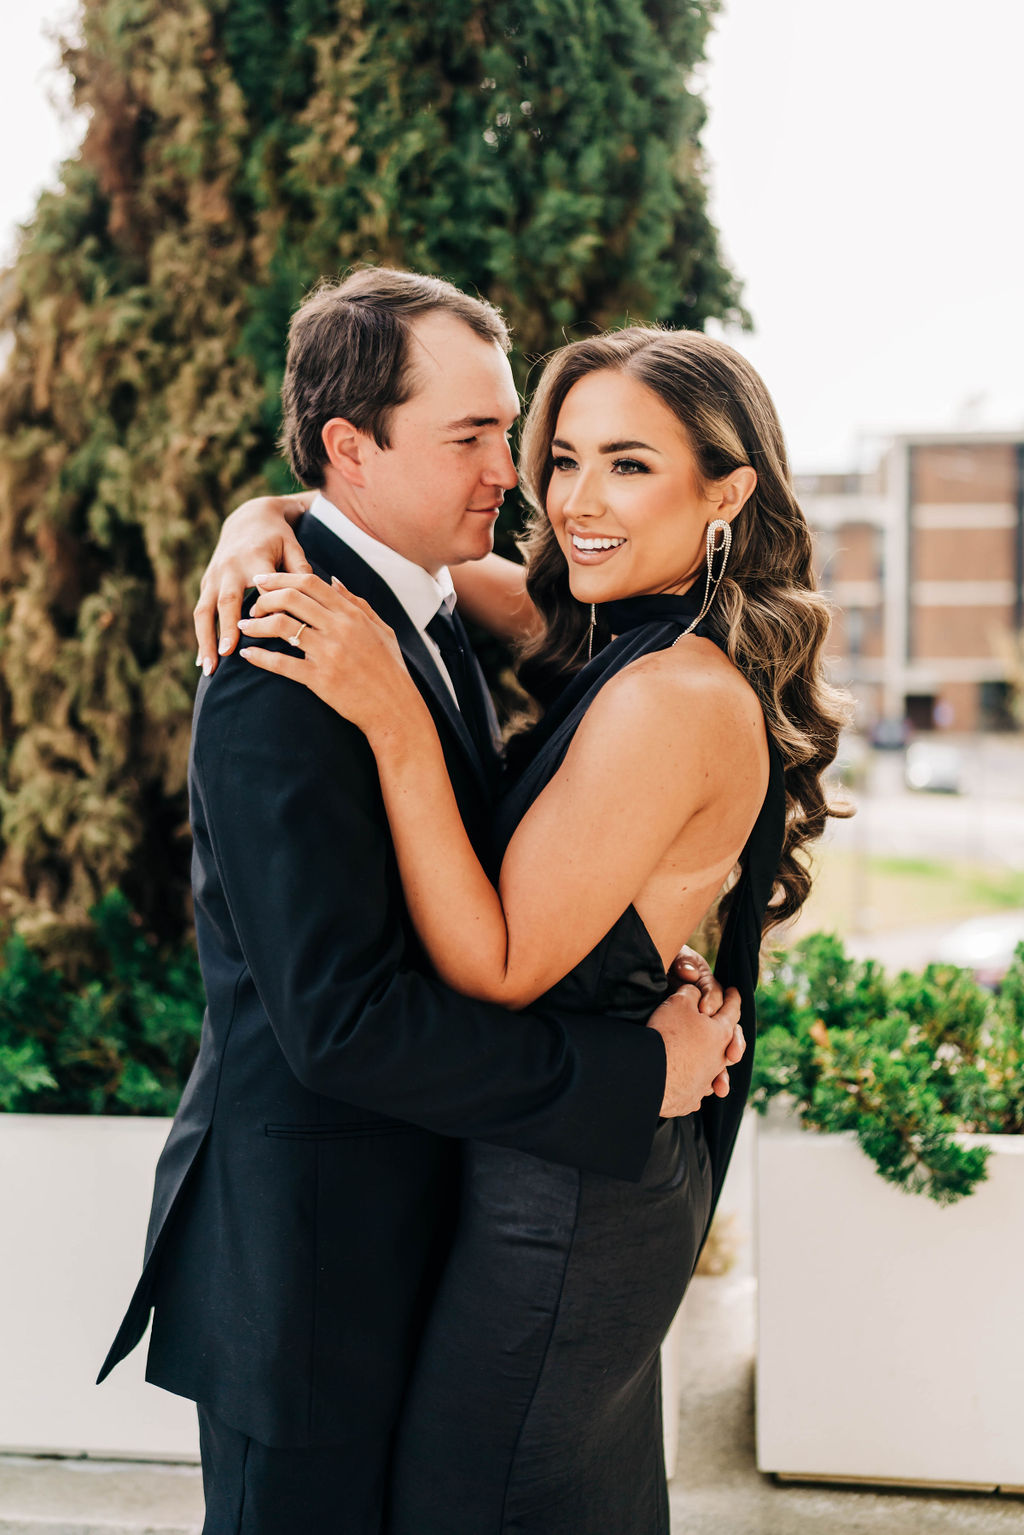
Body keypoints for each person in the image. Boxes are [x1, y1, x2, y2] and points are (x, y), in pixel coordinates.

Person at [98, 269, 745, 1535]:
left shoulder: (435, 606)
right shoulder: (280, 667)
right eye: (474, 437)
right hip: (312, 1272)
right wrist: (629, 1070)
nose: (515, 474)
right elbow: (341, 1024)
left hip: (428, 1234)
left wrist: (261, 507)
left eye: (511, 431)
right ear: (353, 446)